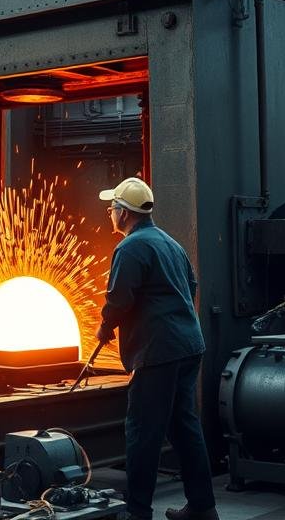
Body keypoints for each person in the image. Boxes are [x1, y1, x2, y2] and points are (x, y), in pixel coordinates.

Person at [96, 177, 217, 520]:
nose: (110, 213)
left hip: (159, 352)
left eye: (112, 208)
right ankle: (203, 508)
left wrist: (105, 326)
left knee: (142, 433)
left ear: (123, 213)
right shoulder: (169, 243)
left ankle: (137, 512)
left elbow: (119, 299)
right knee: (184, 428)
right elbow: (190, 285)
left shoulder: (130, 247)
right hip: (188, 346)